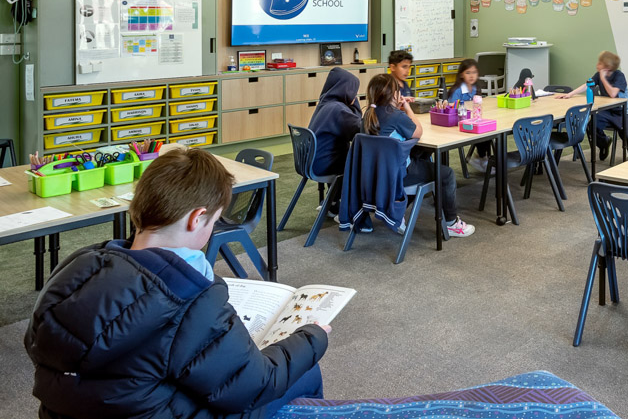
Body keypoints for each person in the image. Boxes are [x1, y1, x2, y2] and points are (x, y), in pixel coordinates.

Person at [25, 145, 328, 419]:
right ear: (197, 218)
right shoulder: (190, 297)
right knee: (306, 372)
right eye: (214, 220)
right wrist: (313, 336)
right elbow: (254, 384)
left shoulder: (77, 268)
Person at [362, 74, 475, 238]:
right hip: (398, 175)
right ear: (394, 94)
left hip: (373, 175)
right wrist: (407, 109)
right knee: (447, 174)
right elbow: (418, 131)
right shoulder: (396, 115)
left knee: (422, 153)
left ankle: (396, 212)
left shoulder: (368, 115)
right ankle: (451, 223)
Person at [556, 51, 628, 159]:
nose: (597, 65)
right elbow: (587, 85)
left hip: (621, 112)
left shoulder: (619, 75)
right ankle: (604, 143)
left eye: (600, 63)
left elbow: (613, 93)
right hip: (606, 111)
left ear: (607, 67)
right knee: (592, 126)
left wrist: (603, 78)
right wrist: (570, 94)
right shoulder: (598, 75)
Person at [309, 67, 362, 178]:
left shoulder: (326, 102)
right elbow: (360, 130)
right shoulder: (337, 109)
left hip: (313, 160)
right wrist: (354, 102)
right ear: (346, 90)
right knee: (364, 166)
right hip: (326, 164)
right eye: (353, 91)